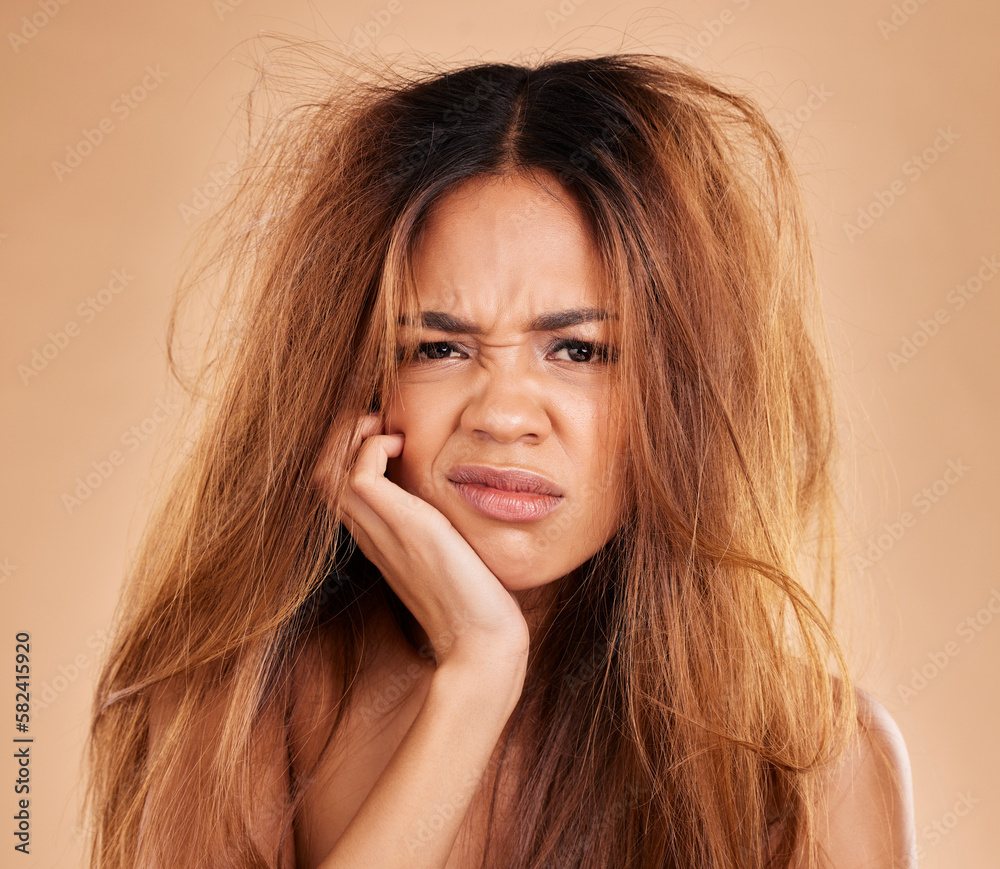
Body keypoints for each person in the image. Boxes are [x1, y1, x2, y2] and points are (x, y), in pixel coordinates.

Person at [83, 43, 917, 868]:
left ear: (684, 395)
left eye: (582, 350)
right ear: (361, 380)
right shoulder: (231, 703)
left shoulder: (812, 763)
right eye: (439, 348)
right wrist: (477, 672)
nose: (506, 415)